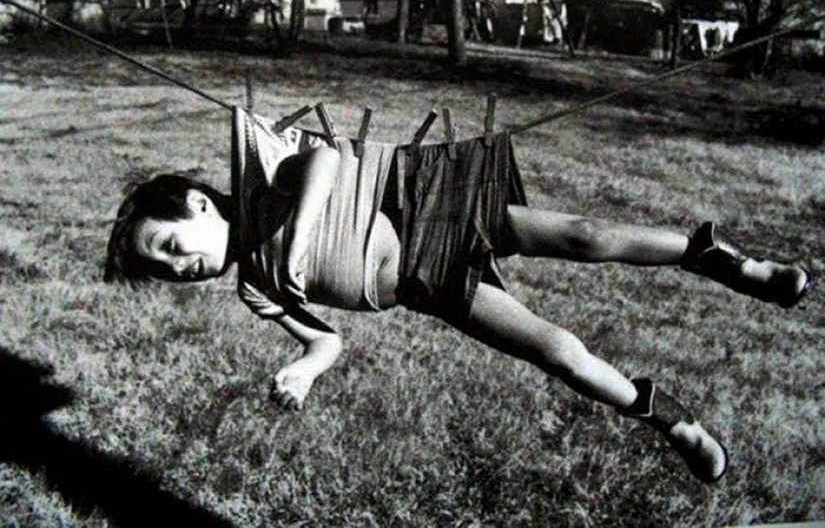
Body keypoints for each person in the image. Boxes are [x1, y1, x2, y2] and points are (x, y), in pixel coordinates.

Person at [104, 109, 812, 484]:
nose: (181, 267)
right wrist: (305, 369)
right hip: (426, 282)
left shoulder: (266, 187)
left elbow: (322, 159)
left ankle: (720, 260)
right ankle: (669, 418)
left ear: (199, 203)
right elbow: (325, 336)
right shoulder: (254, 290)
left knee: (586, 235)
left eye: (170, 246)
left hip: (427, 204)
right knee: (560, 353)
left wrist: (294, 239)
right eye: (165, 272)